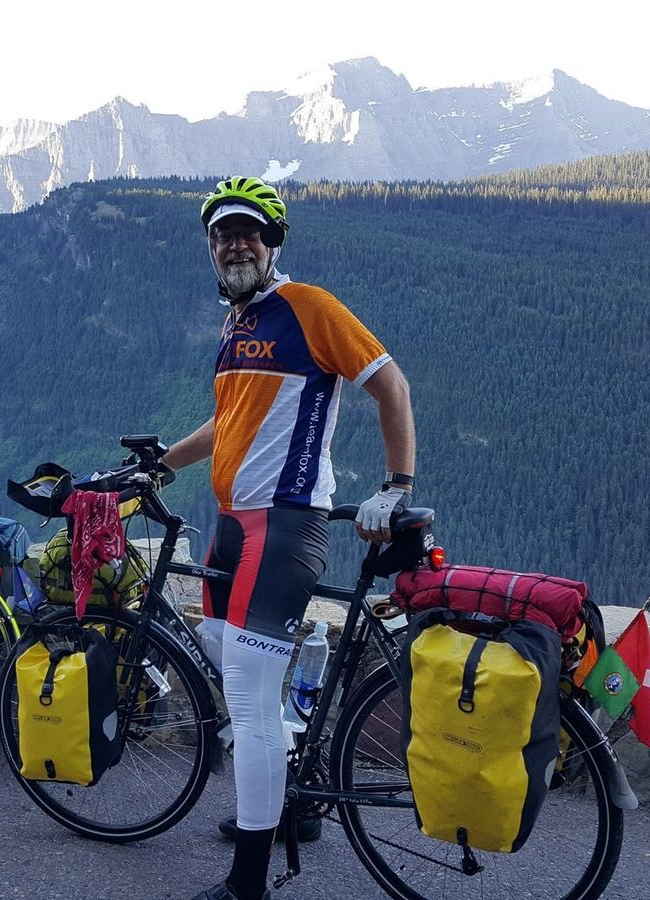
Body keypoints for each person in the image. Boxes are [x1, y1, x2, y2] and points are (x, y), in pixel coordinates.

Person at [160, 176, 417, 900]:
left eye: (249, 232)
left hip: (286, 522)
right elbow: (227, 423)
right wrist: (161, 464)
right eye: (223, 234)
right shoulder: (238, 322)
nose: (235, 244)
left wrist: (397, 485)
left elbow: (392, 386)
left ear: (272, 242)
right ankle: (289, 803)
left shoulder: (309, 307)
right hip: (233, 524)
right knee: (226, 656)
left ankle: (249, 882)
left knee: (247, 698)